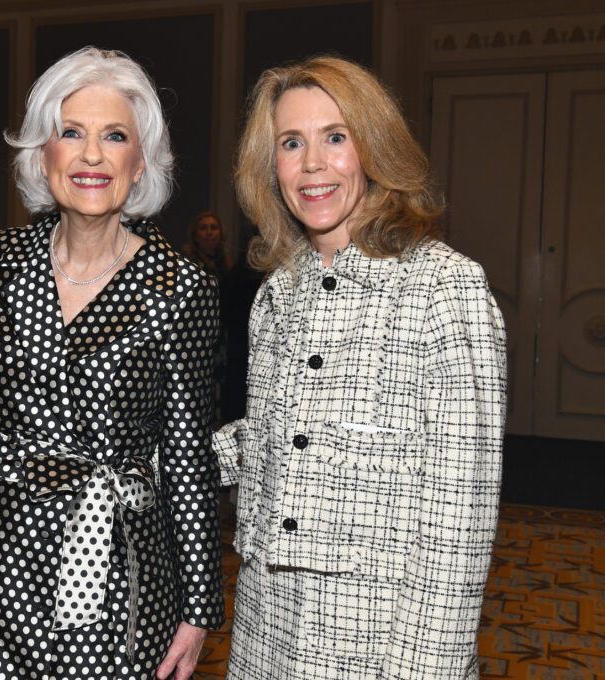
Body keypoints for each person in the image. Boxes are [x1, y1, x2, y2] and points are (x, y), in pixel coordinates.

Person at [0, 46, 225, 680]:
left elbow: (185, 456)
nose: (92, 155)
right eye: (71, 133)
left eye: (114, 136)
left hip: (114, 572)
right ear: (44, 153)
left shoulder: (181, 288)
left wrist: (198, 609)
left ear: (139, 160)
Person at [215, 56, 507, 679]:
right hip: (266, 634)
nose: (312, 163)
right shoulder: (278, 293)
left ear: (373, 149)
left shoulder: (443, 289)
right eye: (292, 143)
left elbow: (460, 518)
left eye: (335, 138)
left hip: (381, 648)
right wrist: (149, 451)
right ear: (272, 166)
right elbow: (273, 439)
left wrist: (425, 670)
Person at [182, 210, 232, 280]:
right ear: (195, 236)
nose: (209, 232)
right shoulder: (189, 264)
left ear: (221, 234)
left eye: (214, 227)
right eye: (203, 228)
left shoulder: (227, 262)